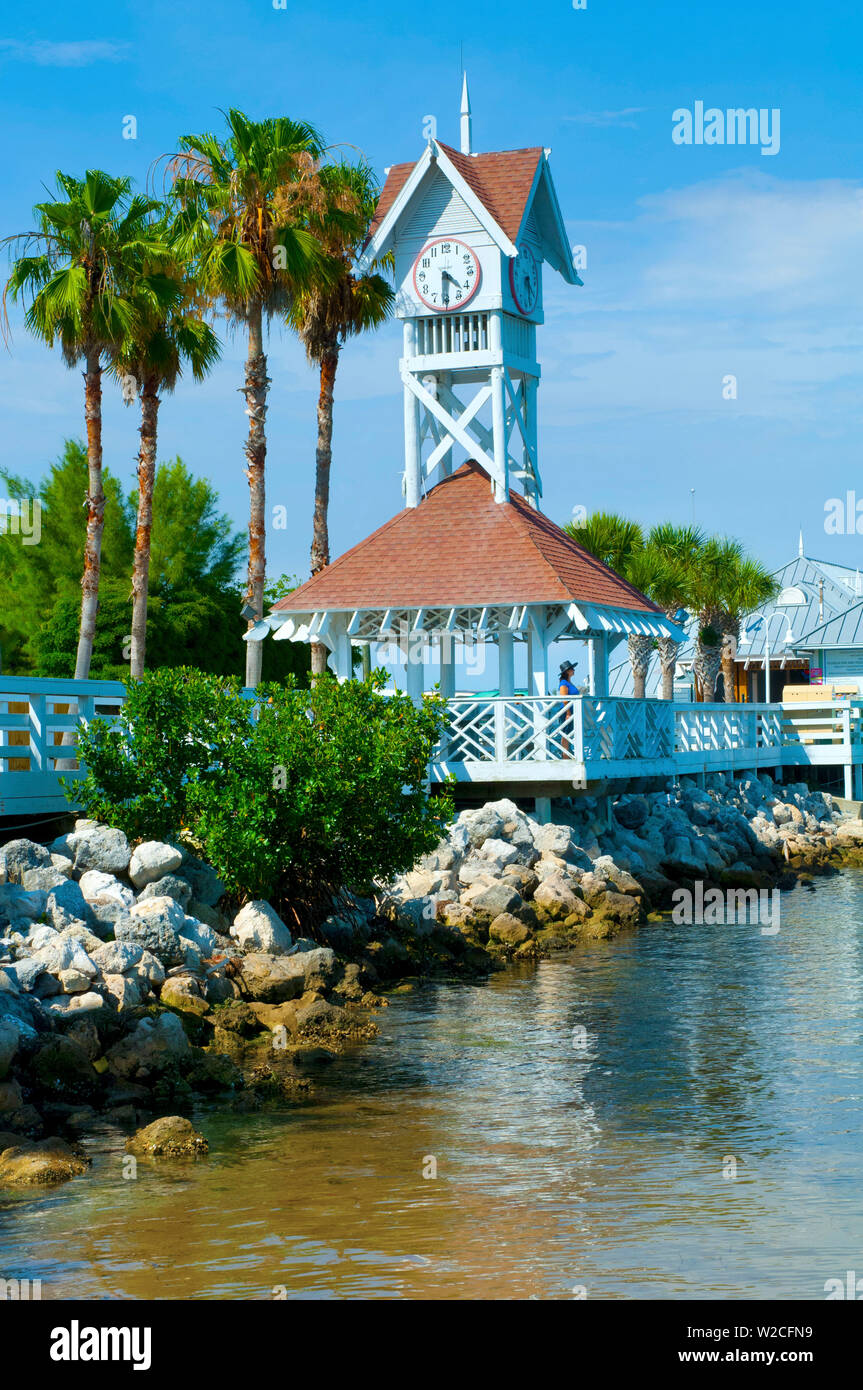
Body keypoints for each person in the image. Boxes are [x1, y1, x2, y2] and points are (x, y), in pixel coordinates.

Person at [557, 660, 581, 755]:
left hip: (573, 710)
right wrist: (568, 713)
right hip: (567, 711)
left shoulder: (569, 683)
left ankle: (567, 753)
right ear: (567, 671)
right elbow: (564, 699)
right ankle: (565, 754)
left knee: (570, 732)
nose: (573, 670)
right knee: (565, 732)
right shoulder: (563, 683)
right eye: (572, 669)